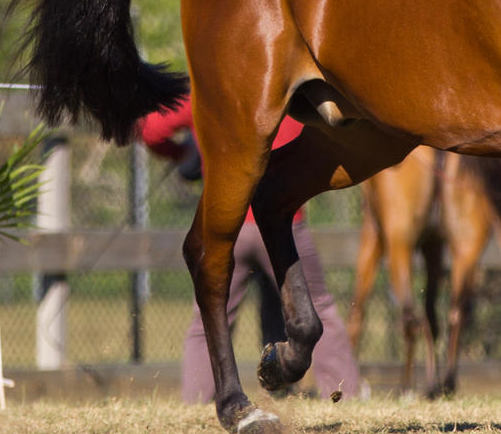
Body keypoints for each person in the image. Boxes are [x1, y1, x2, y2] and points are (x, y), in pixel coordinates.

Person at [139, 96, 363, 403]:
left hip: (227, 225)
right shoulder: (286, 92)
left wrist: (182, 153)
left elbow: (151, 130)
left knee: (210, 316)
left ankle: (196, 400)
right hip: (286, 223)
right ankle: (344, 394)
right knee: (319, 305)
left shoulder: (210, 90)